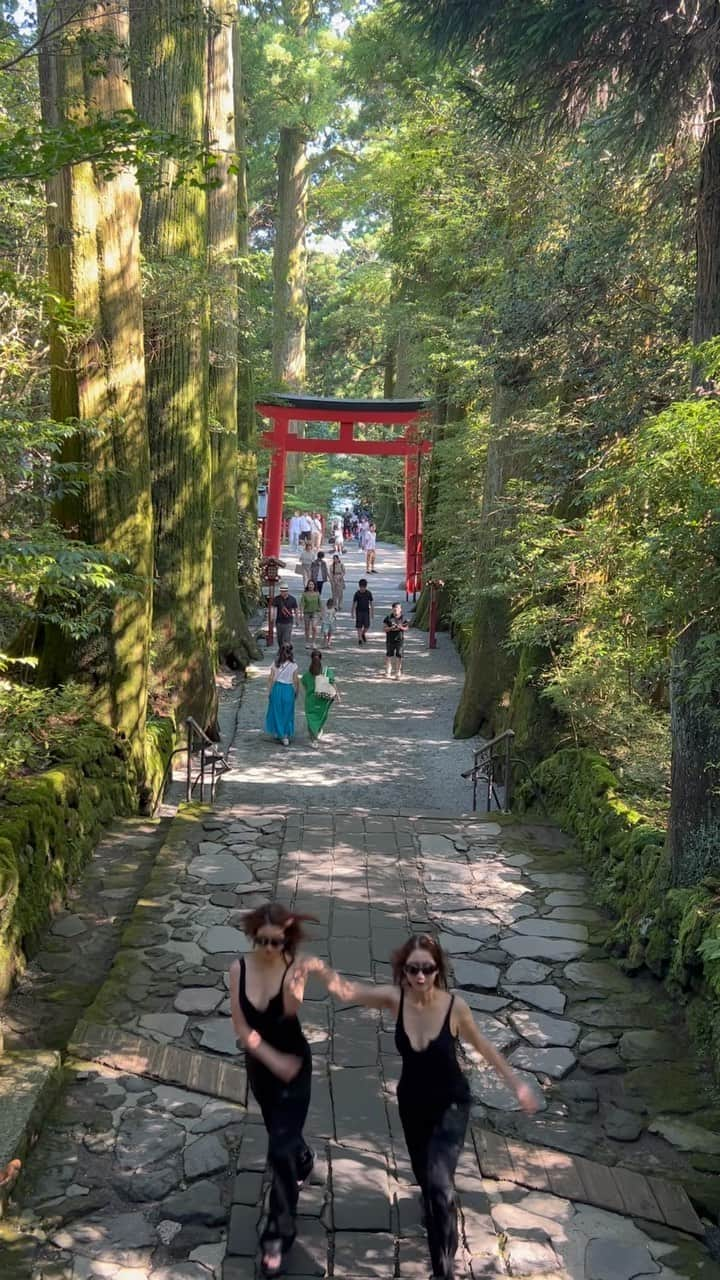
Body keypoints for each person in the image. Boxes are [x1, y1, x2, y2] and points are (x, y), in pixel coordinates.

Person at [322, 935, 538, 1280]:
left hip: (450, 1105)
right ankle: (437, 1209)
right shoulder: (395, 999)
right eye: (413, 970)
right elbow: (348, 992)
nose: (420, 977)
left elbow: (484, 1047)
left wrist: (518, 1086)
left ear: (438, 969)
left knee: (439, 1185)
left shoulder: (455, 1007)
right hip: (412, 1103)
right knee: (427, 1180)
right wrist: (316, 967)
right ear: (403, 971)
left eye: (428, 969)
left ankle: (444, 1269)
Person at [229, 903, 321, 1276]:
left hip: (295, 1066)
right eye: (263, 941)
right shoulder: (239, 969)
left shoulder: (290, 968)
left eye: (276, 942)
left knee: (278, 1149)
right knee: (282, 1138)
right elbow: (241, 1028)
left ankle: (277, 1235)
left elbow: (291, 1008)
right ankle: (304, 1158)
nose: (268, 949)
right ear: (254, 938)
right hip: (263, 1069)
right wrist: (270, 1059)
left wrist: (294, 974)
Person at [301, 648, 338, 746]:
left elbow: (304, 685)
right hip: (322, 700)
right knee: (321, 717)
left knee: (311, 718)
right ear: (321, 659)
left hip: (311, 700)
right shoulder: (327, 671)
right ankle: (318, 731)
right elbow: (333, 683)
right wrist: (338, 695)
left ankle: (314, 738)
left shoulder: (307, 675)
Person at [265, 643, 299, 747]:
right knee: (287, 713)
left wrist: (269, 691)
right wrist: (297, 691)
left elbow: (270, 678)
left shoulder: (275, 664)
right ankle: (284, 735)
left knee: (276, 711)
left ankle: (278, 731)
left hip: (277, 689)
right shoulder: (294, 665)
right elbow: (296, 680)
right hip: (288, 689)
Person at [383, 601, 408, 678]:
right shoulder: (388, 618)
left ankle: (398, 672)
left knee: (399, 655)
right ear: (392, 609)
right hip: (390, 639)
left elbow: (406, 628)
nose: (396, 610)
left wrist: (401, 627)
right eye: (394, 609)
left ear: (400, 609)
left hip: (399, 640)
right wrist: (391, 628)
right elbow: (384, 628)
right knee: (389, 655)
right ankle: (388, 671)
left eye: (397, 608)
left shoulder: (403, 618)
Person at [274, 583, 298, 651]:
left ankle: (287, 653)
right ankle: (281, 651)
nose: (283, 592)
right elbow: (274, 609)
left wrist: (297, 619)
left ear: (287, 591)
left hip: (288, 622)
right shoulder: (277, 599)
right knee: (279, 638)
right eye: (281, 591)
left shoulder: (292, 599)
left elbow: (295, 609)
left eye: (284, 591)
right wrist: (272, 617)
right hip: (279, 621)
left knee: (286, 638)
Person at [352, 577, 374, 644]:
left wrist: (372, 612)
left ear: (365, 587)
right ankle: (360, 639)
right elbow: (354, 603)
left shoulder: (368, 593)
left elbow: (371, 603)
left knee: (367, 626)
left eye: (363, 587)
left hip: (366, 612)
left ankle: (363, 633)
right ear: (359, 586)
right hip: (359, 611)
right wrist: (352, 612)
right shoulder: (357, 594)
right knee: (359, 626)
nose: (362, 589)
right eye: (361, 587)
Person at [301, 579, 321, 646]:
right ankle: (307, 641)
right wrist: (300, 614)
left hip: (315, 612)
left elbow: (320, 604)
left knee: (314, 627)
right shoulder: (304, 594)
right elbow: (302, 604)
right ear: (307, 585)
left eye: (312, 584)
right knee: (307, 628)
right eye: (309, 584)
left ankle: (313, 642)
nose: (311, 586)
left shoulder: (317, 593)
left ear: (314, 586)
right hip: (306, 612)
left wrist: (321, 614)